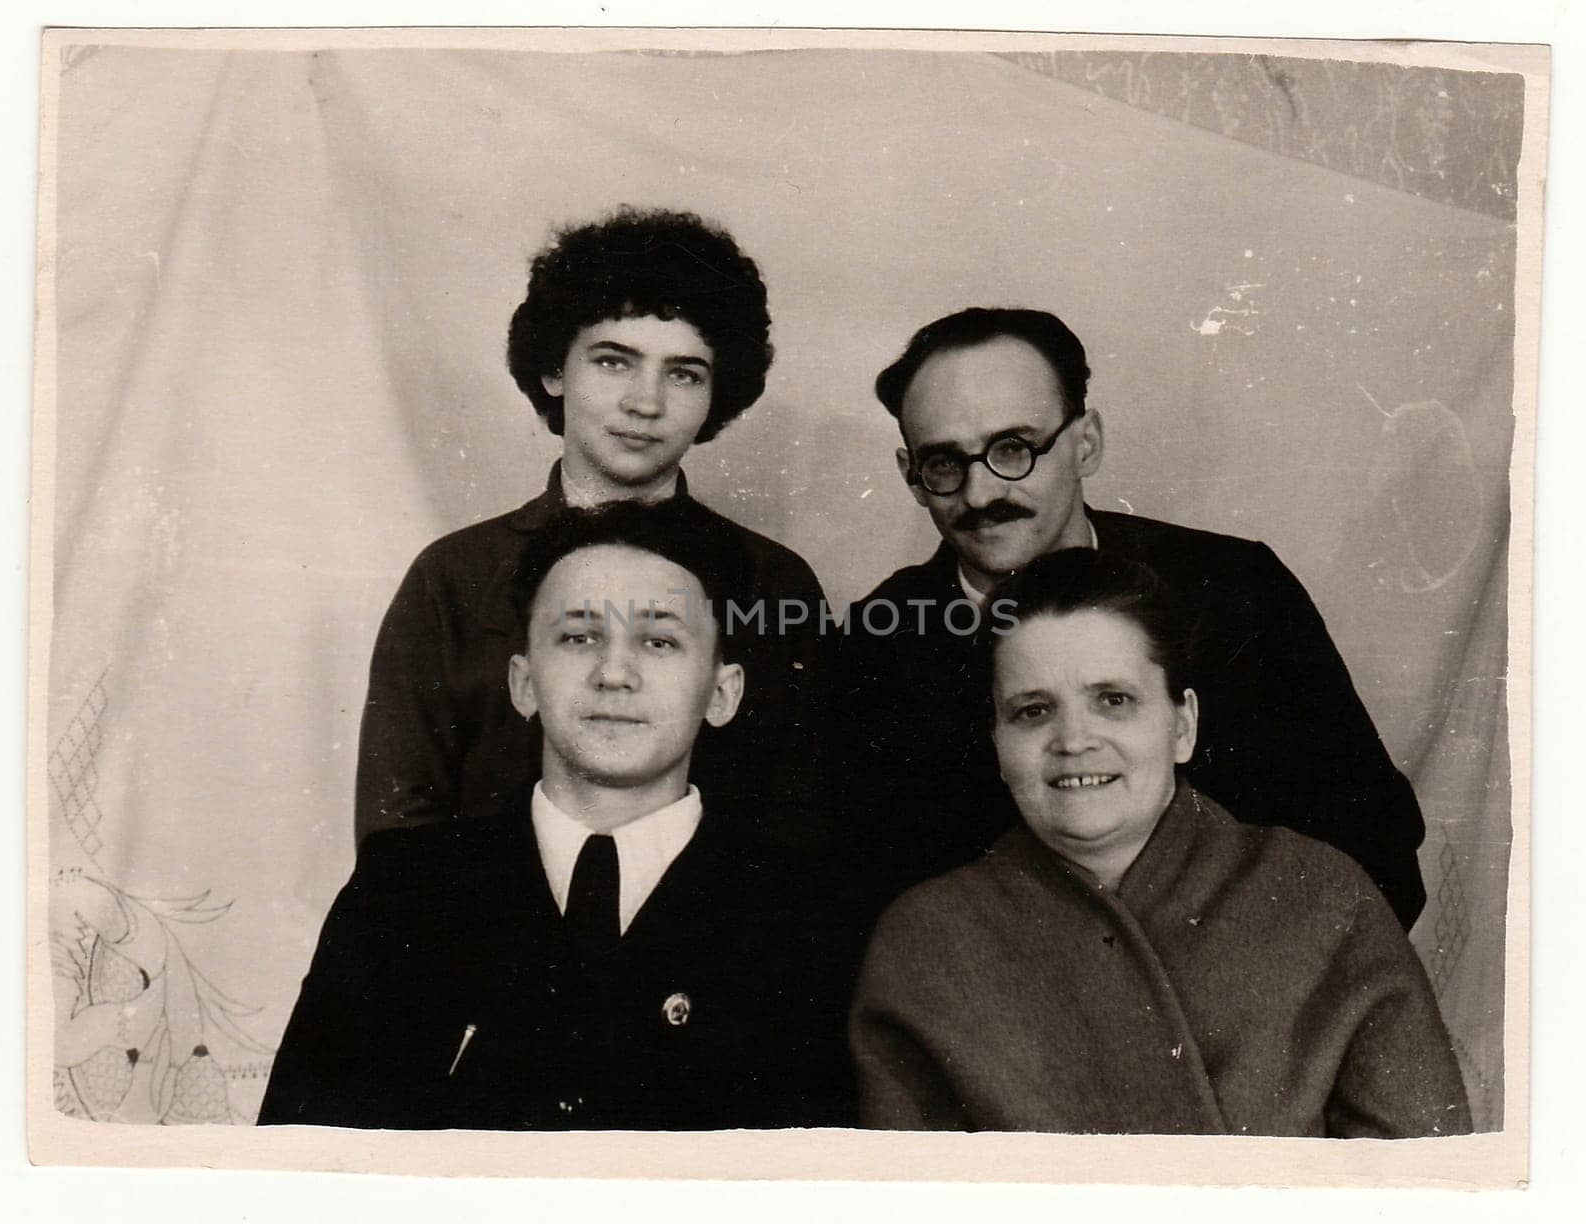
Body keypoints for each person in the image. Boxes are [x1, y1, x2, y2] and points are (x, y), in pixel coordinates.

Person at [260, 501, 857, 1130]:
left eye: (660, 640)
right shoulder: (401, 894)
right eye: (579, 637)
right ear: (522, 681)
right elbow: (300, 1171)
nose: (614, 673)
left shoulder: (808, 919)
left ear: (723, 692)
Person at [837, 307, 1426, 928]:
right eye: (944, 464)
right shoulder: (873, 644)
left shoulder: (1237, 591)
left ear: (1086, 442)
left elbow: (1373, 849)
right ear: (911, 476)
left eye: (1014, 448)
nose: (982, 494)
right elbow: (869, 914)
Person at [848, 549, 1470, 1136]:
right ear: (996, 742)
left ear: (1182, 725)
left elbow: (1420, 1183)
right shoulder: (924, 941)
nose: (1074, 741)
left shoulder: (1324, 898)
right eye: (1033, 711)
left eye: (1113, 701)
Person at [355, 206, 828, 852]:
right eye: (614, 362)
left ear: (719, 393)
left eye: (684, 373)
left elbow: (805, 830)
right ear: (555, 369)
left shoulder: (775, 584)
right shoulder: (454, 579)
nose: (646, 402)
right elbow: (397, 834)